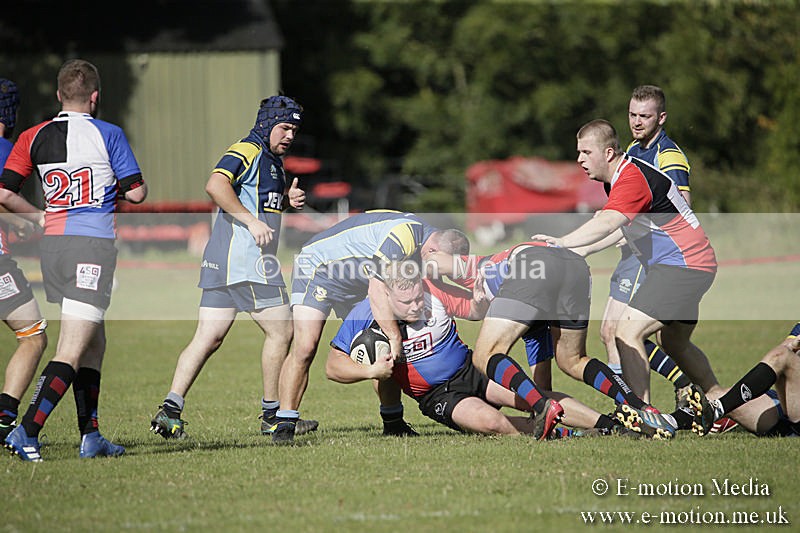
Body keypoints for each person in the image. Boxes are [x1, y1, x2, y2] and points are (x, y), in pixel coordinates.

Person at [533, 119, 722, 438]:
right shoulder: (618, 180)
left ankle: (645, 416)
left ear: (608, 153)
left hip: (683, 266)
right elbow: (621, 230)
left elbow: (608, 222)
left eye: (585, 152)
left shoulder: (631, 178)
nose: (579, 159)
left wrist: (563, 242)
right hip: (692, 264)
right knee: (674, 342)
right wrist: (581, 252)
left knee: (626, 332)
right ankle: (722, 402)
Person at [0, 59, 147, 461]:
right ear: (95, 97)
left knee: (93, 342)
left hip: (53, 248)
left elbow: (5, 192)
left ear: (59, 96)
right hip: (91, 248)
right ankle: (26, 431)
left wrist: (38, 215)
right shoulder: (109, 134)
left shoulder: (32, 135)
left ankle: (91, 436)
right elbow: (136, 193)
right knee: (71, 346)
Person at [148, 95, 319, 440]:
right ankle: (273, 416)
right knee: (282, 332)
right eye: (284, 127)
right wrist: (251, 223)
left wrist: (286, 202)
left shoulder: (272, 160)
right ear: (267, 124)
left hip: (223, 262)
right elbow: (215, 185)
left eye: (294, 130)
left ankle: (170, 410)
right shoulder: (248, 149)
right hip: (249, 263)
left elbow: (257, 202)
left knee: (208, 338)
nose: (289, 135)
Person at [273, 210, 469, 444]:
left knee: (381, 343)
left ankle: (393, 422)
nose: (439, 273)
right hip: (318, 268)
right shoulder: (404, 236)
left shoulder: (427, 247)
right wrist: (395, 337)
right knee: (306, 345)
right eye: (441, 267)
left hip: (357, 281)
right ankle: (284, 424)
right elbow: (377, 288)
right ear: (434, 250)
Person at [428, 242, 657, 437]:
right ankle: (638, 407)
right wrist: (541, 405)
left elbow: (434, 261)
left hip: (532, 263)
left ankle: (546, 409)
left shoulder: (475, 267)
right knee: (572, 361)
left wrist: (408, 264)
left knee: (484, 356)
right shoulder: (528, 315)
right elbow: (542, 383)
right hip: (574, 265)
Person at [325, 262, 567, 439]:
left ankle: (601, 424)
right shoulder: (364, 314)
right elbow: (332, 367)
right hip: (439, 396)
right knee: (491, 423)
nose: (416, 306)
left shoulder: (432, 291)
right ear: (386, 295)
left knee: (534, 397)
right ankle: (563, 434)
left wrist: (480, 300)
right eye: (406, 302)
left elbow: (473, 310)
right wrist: (371, 370)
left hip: (471, 369)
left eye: (418, 298)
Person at [600, 85, 695, 410]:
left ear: (661, 117)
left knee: (619, 330)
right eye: (632, 114)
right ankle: (641, 403)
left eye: (645, 116)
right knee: (617, 333)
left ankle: (634, 409)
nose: (637, 122)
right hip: (635, 252)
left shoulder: (667, 156)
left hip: (656, 254)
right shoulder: (633, 148)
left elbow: (682, 208)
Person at [0, 78, 49, 441]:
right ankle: (4, 420)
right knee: (33, 336)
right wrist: (35, 219)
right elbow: (4, 195)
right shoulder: (4, 147)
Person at [691, 322, 800, 437]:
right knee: (718, 397)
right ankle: (672, 422)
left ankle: (716, 411)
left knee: (782, 355)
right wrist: (793, 346)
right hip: (787, 412)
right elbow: (783, 351)